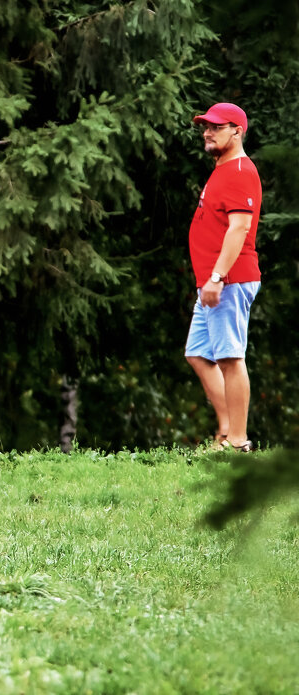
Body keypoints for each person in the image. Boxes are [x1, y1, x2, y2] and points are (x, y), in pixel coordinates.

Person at [184, 102, 262, 452]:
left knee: (230, 358)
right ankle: (228, 429)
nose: (207, 131)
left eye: (216, 126)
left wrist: (217, 277)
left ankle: (238, 442)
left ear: (237, 130)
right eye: (206, 126)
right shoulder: (223, 169)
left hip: (229, 279)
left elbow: (240, 228)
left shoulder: (241, 171)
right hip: (212, 282)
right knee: (198, 354)